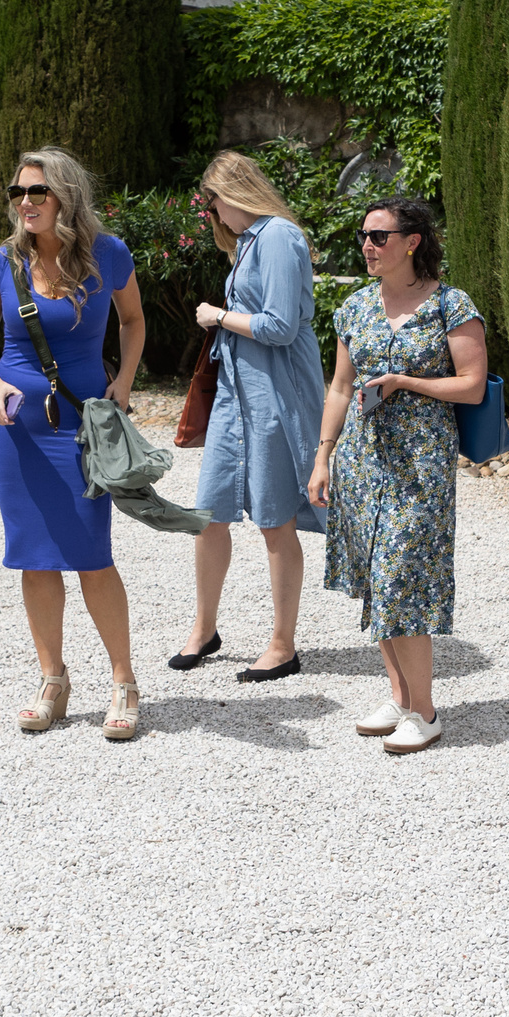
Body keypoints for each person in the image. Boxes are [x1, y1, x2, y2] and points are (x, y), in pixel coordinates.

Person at [0, 147, 148, 742]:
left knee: (92, 553)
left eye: (36, 192)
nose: (25, 202)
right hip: (16, 431)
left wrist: (124, 380)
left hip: (83, 425)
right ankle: (53, 680)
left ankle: (124, 681)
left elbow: (133, 320)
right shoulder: (2, 262)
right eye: (17, 192)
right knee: (34, 556)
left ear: (65, 197)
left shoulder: (109, 254)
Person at [309, 199, 488, 754]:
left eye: (379, 236)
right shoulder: (355, 307)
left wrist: (406, 382)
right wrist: (322, 456)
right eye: (364, 236)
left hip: (419, 464)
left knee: (400, 576)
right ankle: (401, 697)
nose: (368, 245)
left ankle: (425, 712)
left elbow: (472, 386)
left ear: (412, 242)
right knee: (375, 578)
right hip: (362, 461)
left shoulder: (450, 305)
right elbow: (340, 387)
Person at [174, 151, 328, 682]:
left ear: (232, 193)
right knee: (209, 513)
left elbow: (280, 326)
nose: (212, 212)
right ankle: (204, 629)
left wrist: (218, 316)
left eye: (212, 201)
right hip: (235, 397)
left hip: (274, 395)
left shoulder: (279, 236)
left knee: (273, 517)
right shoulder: (248, 241)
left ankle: (283, 645)